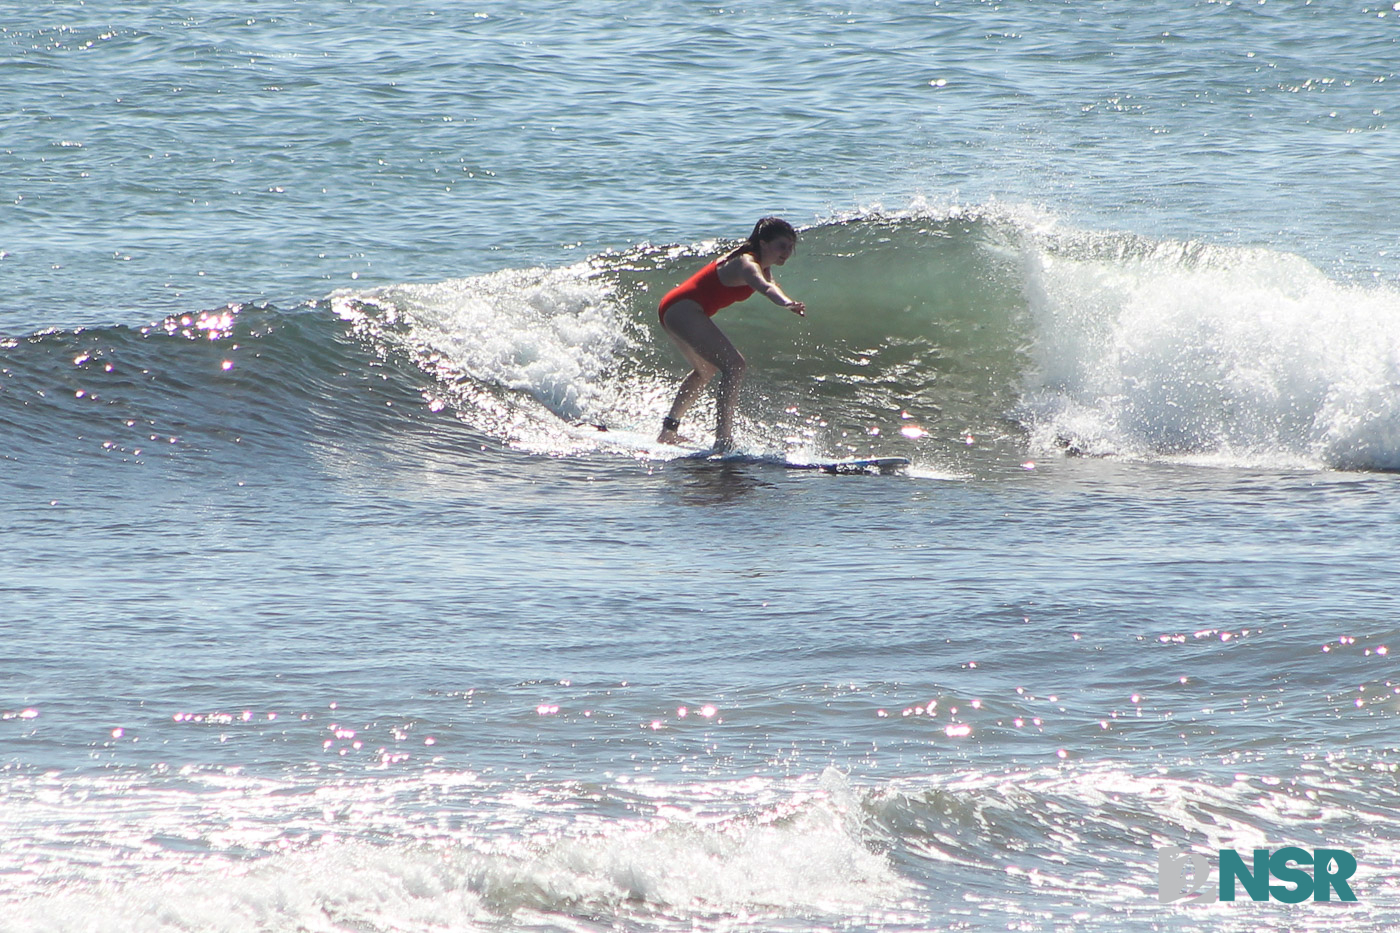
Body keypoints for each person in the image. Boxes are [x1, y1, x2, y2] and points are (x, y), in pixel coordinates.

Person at [656, 217, 806, 451]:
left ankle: (668, 431)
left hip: (677, 308)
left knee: (705, 370)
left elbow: (771, 284)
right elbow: (765, 288)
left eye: (790, 247)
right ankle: (723, 440)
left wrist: (786, 300)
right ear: (764, 243)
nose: (787, 252)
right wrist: (787, 304)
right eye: (781, 246)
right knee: (734, 365)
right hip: (683, 308)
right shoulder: (747, 263)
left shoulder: (761, 265)